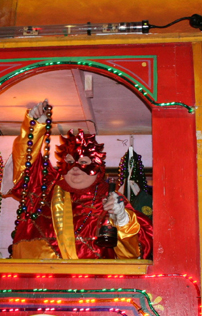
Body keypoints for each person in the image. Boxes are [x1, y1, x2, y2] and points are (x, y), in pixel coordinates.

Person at [9, 100, 152, 259]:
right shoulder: (43, 189)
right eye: (69, 162)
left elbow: (138, 250)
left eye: (84, 162)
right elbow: (25, 165)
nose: (75, 167)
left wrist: (124, 220)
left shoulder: (111, 201)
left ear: (98, 169)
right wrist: (35, 126)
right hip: (32, 277)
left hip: (91, 282)